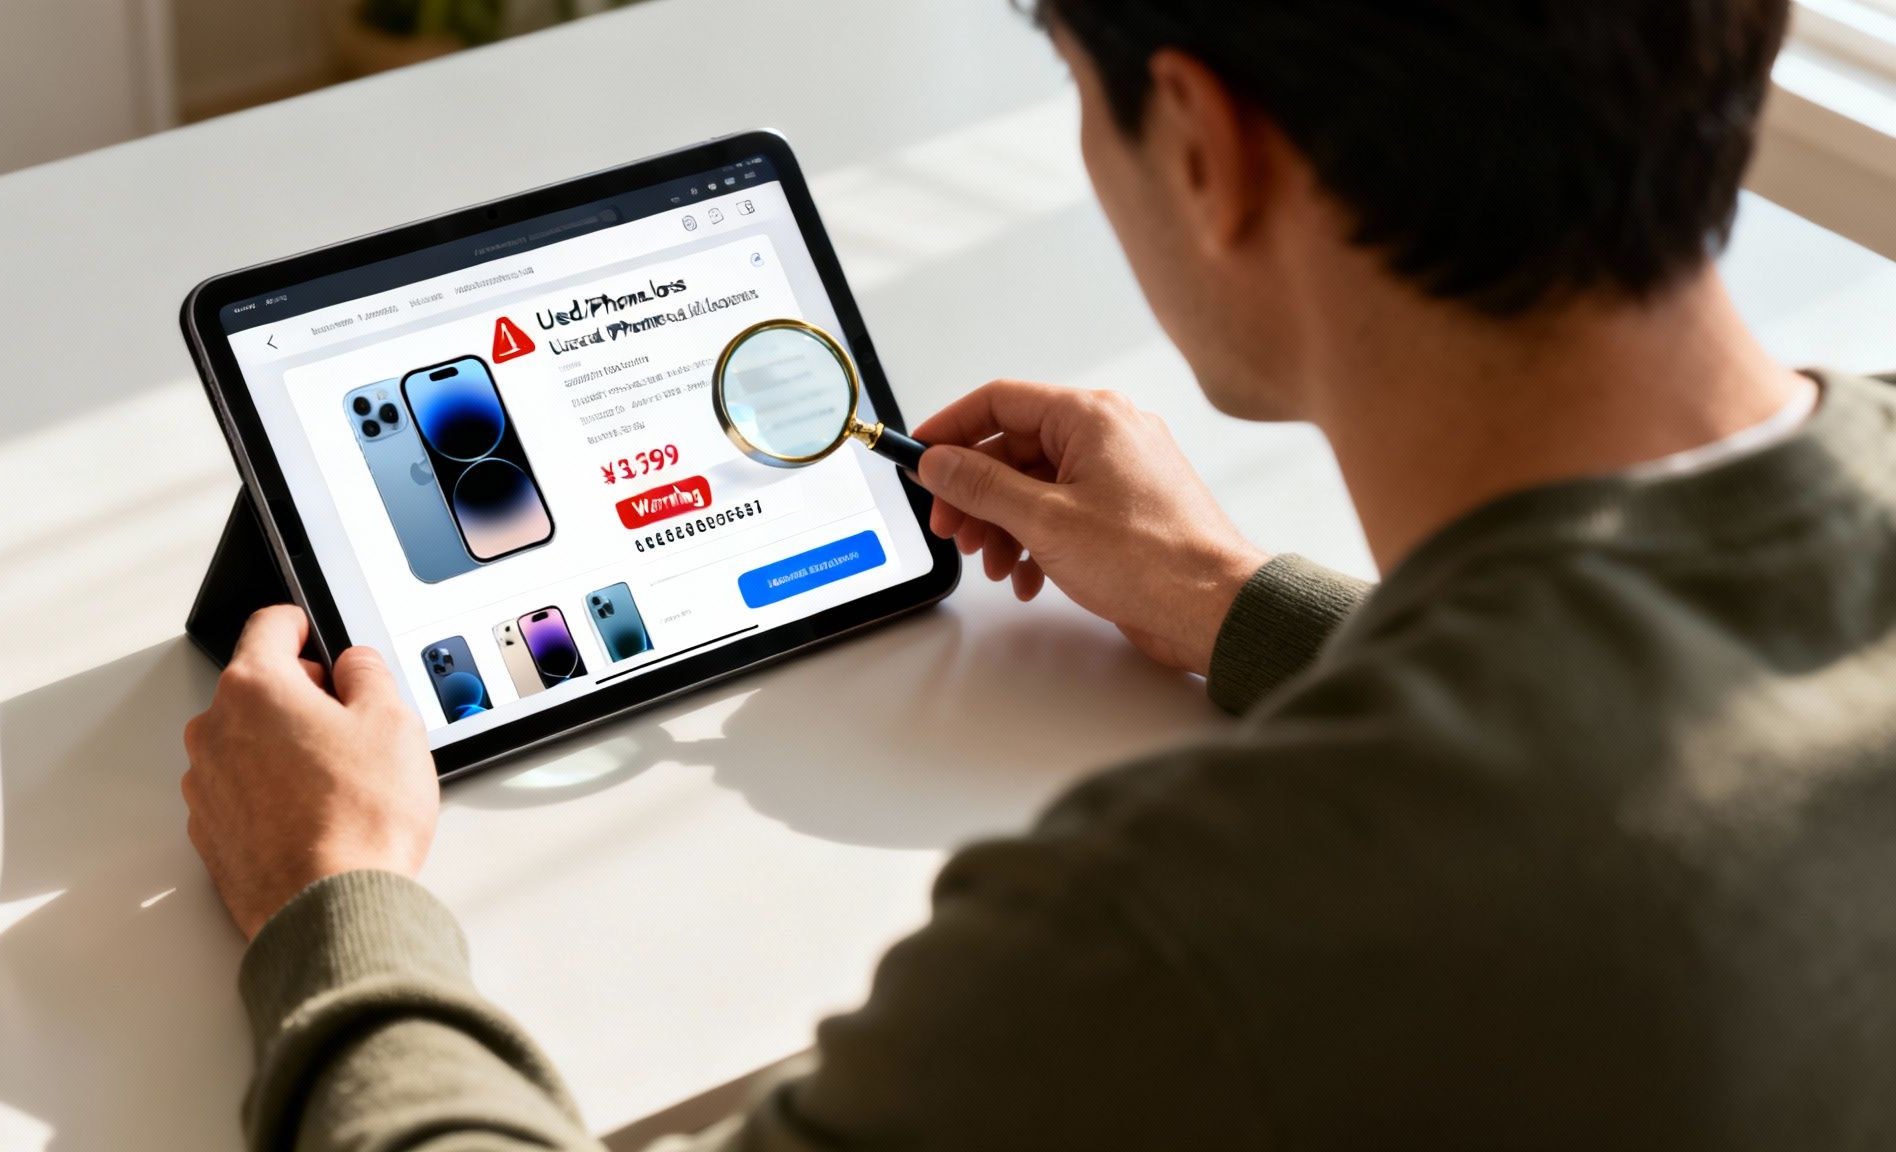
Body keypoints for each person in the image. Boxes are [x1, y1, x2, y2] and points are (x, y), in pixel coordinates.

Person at [182, 0, 1896, 1148]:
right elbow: (1656, 734)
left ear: (1207, 148)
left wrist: (334, 903)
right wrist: (1242, 599)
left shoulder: (1170, 945)